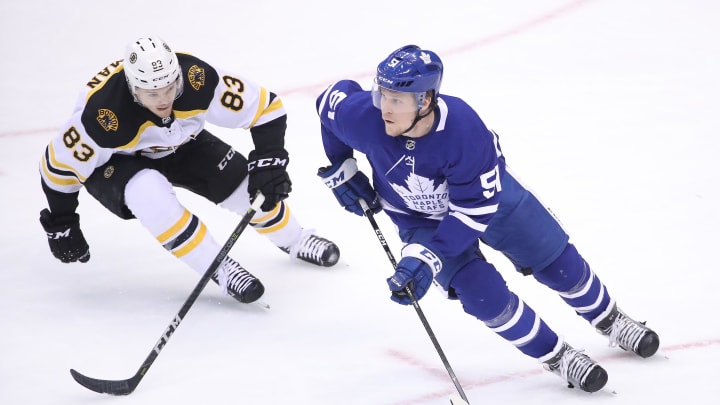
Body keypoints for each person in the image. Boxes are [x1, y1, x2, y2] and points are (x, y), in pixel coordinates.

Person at [315, 45, 659, 393]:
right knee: (482, 295)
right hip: (419, 217)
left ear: (425, 101)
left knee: (556, 263)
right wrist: (341, 167)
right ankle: (557, 355)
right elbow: (328, 103)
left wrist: (429, 257)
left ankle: (610, 319)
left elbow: (472, 211)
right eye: (382, 95)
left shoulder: (463, 130)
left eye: (397, 100)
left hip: (488, 202)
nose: (385, 108)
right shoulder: (364, 117)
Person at [39, 36, 340, 305]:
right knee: (150, 195)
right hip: (119, 161)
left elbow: (265, 108)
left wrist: (270, 159)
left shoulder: (196, 78)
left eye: (170, 88)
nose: (165, 99)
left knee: (248, 188)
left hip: (180, 142)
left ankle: (296, 239)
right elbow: (57, 169)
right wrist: (62, 223)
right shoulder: (103, 115)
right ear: (133, 88)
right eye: (153, 93)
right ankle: (219, 268)